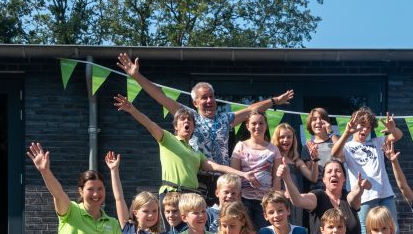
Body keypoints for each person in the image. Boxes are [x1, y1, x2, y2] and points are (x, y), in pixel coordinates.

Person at [116, 53, 293, 201]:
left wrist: (275, 101)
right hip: (197, 180)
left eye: (211, 97)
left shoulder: (225, 119)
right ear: (195, 102)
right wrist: (136, 76)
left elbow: (251, 110)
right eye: (204, 98)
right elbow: (160, 97)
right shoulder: (189, 116)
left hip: (223, 181)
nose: (209, 101)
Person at [113, 95, 257, 230]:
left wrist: (243, 174)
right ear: (176, 126)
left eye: (190, 120)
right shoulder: (168, 139)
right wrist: (132, 109)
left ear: (193, 128)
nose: (186, 121)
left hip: (192, 198)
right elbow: (150, 125)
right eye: (182, 119)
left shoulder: (196, 152)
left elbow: (217, 166)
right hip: (172, 195)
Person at [331, 107, 403, 234]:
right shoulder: (347, 146)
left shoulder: (377, 142)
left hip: (386, 194)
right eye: (362, 126)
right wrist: (347, 133)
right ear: (353, 123)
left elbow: (398, 136)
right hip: (364, 197)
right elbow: (334, 153)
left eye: (369, 127)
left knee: (393, 232)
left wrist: (392, 129)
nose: (365, 130)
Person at [278, 159, 368, 234]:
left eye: (337, 171)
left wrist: (360, 190)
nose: (333, 174)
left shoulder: (349, 199)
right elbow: (297, 200)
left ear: (344, 178)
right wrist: (287, 178)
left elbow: (354, 196)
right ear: (324, 179)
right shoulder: (318, 196)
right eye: (329, 171)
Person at [231, 110, 283, 230]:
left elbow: (276, 178)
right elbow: (233, 174)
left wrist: (273, 200)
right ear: (247, 126)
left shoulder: (273, 149)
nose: (257, 126)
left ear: (266, 125)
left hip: (264, 201)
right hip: (244, 200)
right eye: (254, 123)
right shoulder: (240, 146)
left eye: (261, 123)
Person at [271, 122, 318, 227]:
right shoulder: (274, 158)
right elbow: (275, 189)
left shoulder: (296, 161)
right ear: (276, 139)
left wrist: (315, 159)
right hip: (282, 203)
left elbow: (313, 178)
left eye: (289, 137)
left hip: (297, 203)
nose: (286, 140)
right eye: (282, 137)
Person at [305, 107, 341, 190]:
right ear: (310, 124)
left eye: (321, 119)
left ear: (327, 122)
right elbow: (312, 176)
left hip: (337, 188)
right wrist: (314, 158)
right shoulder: (307, 146)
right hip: (318, 189)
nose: (318, 122)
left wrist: (331, 133)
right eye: (314, 119)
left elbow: (342, 154)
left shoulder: (336, 139)